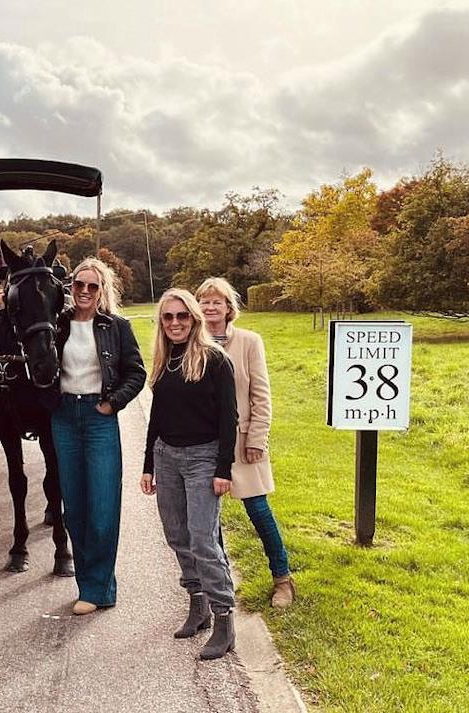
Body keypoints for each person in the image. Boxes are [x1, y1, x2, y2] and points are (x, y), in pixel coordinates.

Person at [140, 287, 239, 660]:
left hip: (203, 457)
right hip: (167, 457)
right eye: (168, 317)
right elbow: (158, 417)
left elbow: (230, 418)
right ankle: (197, 604)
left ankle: (224, 618)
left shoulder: (215, 360)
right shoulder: (163, 360)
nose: (176, 323)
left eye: (182, 316)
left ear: (194, 318)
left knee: (203, 539)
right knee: (177, 536)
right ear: (161, 323)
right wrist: (149, 463)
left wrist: (223, 469)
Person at [48, 257, 146, 616]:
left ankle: (98, 587)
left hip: (98, 417)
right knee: (75, 507)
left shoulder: (116, 326)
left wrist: (112, 404)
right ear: (70, 288)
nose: (85, 291)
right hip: (64, 418)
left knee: (102, 507)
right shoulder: (57, 325)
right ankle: (90, 584)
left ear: (102, 290)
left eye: (93, 286)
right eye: (79, 285)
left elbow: (136, 373)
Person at [196, 277, 295, 608]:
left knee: (258, 510)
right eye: (204, 302)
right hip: (203, 445)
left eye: (217, 302)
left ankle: (283, 580)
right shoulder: (190, 342)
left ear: (228, 308)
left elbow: (261, 395)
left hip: (242, 443)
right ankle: (220, 585)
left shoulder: (249, 342)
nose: (210, 307)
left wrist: (257, 438)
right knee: (208, 521)